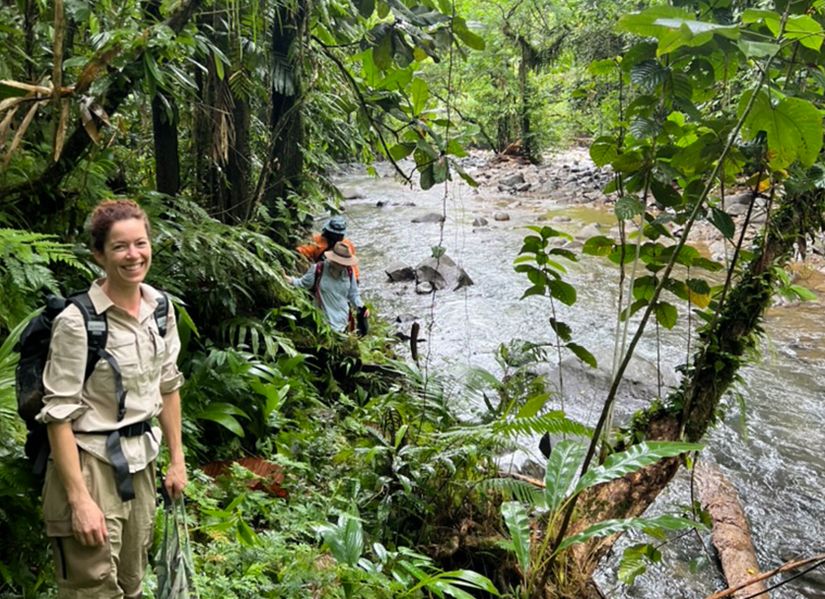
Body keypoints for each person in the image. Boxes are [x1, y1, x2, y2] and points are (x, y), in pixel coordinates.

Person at [37, 199, 186, 598]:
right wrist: (79, 500)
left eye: (140, 243)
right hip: (90, 466)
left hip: (143, 464)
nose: (133, 255)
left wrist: (177, 461)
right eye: (120, 247)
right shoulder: (77, 321)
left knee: (131, 585)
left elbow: (168, 386)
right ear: (99, 255)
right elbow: (59, 416)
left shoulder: (160, 308)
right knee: (93, 589)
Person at [292, 241, 368, 333]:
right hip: (323, 324)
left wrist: (362, 307)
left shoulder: (349, 272)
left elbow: (353, 294)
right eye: (340, 262)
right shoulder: (318, 269)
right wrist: (288, 280)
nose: (343, 265)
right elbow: (302, 284)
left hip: (343, 321)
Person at [296, 215, 360, 281]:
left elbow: (300, 252)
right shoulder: (347, 245)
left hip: (321, 276)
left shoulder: (317, 241)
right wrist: (355, 280)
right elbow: (353, 267)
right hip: (341, 279)